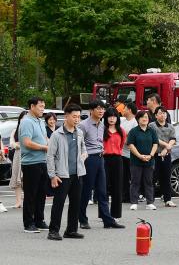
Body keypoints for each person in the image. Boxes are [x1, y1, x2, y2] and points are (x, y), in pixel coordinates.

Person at [78, 100, 124, 229]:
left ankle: (107, 220)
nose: (101, 111)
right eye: (98, 108)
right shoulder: (84, 125)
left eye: (102, 109)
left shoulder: (102, 126)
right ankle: (82, 219)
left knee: (102, 191)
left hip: (100, 158)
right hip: (89, 159)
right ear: (91, 110)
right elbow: (79, 144)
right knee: (86, 191)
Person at [45, 104, 87, 240]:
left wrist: (84, 155)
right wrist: (52, 175)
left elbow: (83, 148)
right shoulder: (57, 135)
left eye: (79, 117)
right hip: (62, 174)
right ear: (66, 116)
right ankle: (53, 231)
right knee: (59, 203)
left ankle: (71, 230)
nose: (77, 119)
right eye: (74, 116)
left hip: (78, 174)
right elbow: (50, 156)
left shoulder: (79, 132)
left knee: (76, 203)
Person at [19, 97, 50, 233]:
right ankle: (28, 223)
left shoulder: (40, 121)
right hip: (31, 163)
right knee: (31, 194)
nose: (43, 109)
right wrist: (44, 147)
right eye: (40, 106)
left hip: (43, 161)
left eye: (44, 106)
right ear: (32, 106)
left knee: (41, 194)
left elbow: (44, 139)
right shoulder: (26, 122)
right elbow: (27, 142)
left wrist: (50, 144)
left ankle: (39, 220)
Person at [127, 110, 158, 212]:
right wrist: (139, 156)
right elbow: (131, 145)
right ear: (138, 119)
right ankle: (134, 202)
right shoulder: (133, 131)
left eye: (147, 117)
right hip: (136, 161)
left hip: (149, 160)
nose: (145, 119)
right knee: (135, 182)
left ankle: (150, 202)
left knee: (149, 182)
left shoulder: (152, 131)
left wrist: (151, 155)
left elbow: (155, 144)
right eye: (143, 117)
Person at [102, 107, 127, 221]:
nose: (111, 119)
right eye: (109, 116)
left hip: (117, 159)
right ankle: (104, 214)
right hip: (104, 159)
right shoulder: (102, 130)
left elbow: (121, 146)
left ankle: (116, 215)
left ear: (117, 118)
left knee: (117, 187)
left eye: (114, 116)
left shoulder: (121, 131)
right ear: (106, 118)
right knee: (104, 186)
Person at [153, 106, 178, 208]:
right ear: (156, 115)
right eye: (160, 113)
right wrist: (166, 145)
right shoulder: (152, 126)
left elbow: (173, 139)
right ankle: (150, 200)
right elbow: (155, 138)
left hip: (166, 155)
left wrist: (166, 149)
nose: (162, 115)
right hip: (155, 155)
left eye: (164, 113)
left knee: (166, 178)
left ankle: (168, 199)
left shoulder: (171, 127)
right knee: (153, 177)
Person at [120, 103, 138, 203]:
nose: (123, 110)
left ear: (130, 110)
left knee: (132, 176)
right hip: (121, 153)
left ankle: (133, 196)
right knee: (123, 176)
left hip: (130, 154)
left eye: (125, 109)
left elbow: (132, 139)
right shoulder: (123, 121)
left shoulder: (134, 123)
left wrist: (123, 138)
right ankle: (124, 196)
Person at [9, 111, 26, 209]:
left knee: (27, 179)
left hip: (28, 155)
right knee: (17, 178)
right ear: (20, 119)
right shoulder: (15, 130)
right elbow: (11, 143)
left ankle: (28, 201)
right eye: (22, 118)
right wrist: (16, 145)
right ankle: (18, 201)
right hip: (18, 155)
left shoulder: (31, 128)